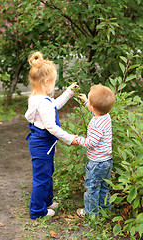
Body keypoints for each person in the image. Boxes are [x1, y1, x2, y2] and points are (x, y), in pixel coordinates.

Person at [25, 51, 78, 219]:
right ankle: (37, 211)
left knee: (47, 172)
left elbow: (53, 106)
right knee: (42, 177)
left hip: (41, 144)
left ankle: (47, 201)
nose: (54, 86)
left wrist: (69, 93)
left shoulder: (36, 98)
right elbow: (52, 127)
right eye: (54, 83)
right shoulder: (43, 102)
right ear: (46, 82)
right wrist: (70, 139)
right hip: (42, 145)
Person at [76, 85, 115, 217]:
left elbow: (91, 143)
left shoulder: (95, 124)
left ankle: (91, 213)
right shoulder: (106, 116)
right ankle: (105, 208)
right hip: (107, 161)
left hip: (96, 163)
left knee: (92, 188)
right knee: (104, 186)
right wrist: (87, 101)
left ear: (93, 107)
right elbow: (95, 111)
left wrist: (78, 140)